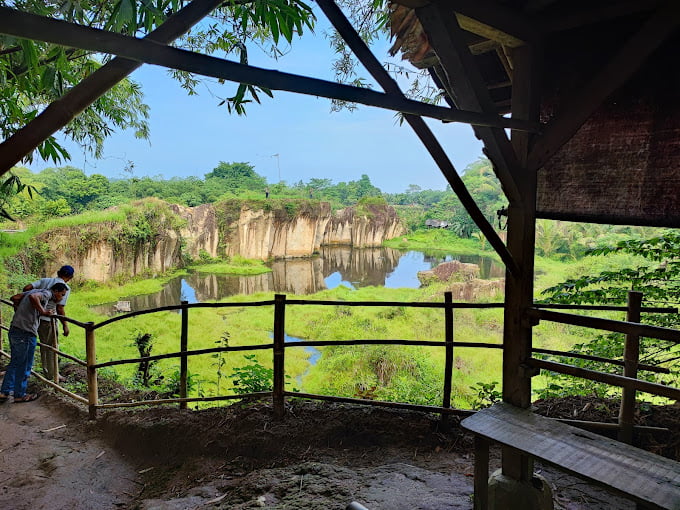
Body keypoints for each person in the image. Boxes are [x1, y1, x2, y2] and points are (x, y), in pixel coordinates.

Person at [0, 283, 69, 403]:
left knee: (15, 362)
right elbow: (34, 298)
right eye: (62, 294)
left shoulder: (32, 291)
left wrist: (21, 311)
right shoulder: (47, 294)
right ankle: (19, 394)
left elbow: (14, 298)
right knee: (24, 364)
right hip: (26, 332)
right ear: (56, 291)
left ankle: (4, 392)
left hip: (15, 329)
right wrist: (43, 312)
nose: (62, 298)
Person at [23, 265, 74, 381]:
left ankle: (47, 370)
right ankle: (53, 374)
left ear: (58, 272)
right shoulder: (64, 288)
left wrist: (37, 306)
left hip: (36, 319)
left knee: (43, 345)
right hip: (48, 320)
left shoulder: (45, 281)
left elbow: (26, 288)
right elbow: (60, 308)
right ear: (70, 277)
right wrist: (65, 325)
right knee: (52, 347)